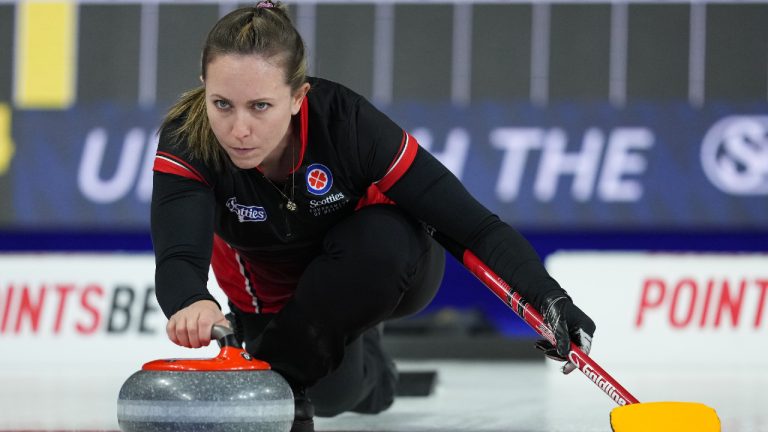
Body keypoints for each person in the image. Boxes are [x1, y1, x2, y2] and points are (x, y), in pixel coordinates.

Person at [150, 2, 596, 432]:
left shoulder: (348, 125)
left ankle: (311, 352)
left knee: (380, 243)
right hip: (273, 293)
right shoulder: (188, 137)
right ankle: (372, 372)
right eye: (222, 104)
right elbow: (178, 257)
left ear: (298, 97)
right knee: (333, 397)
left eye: (260, 106)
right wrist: (191, 301)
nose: (239, 129)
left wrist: (550, 298)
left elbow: (472, 227)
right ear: (204, 87)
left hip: (380, 265)